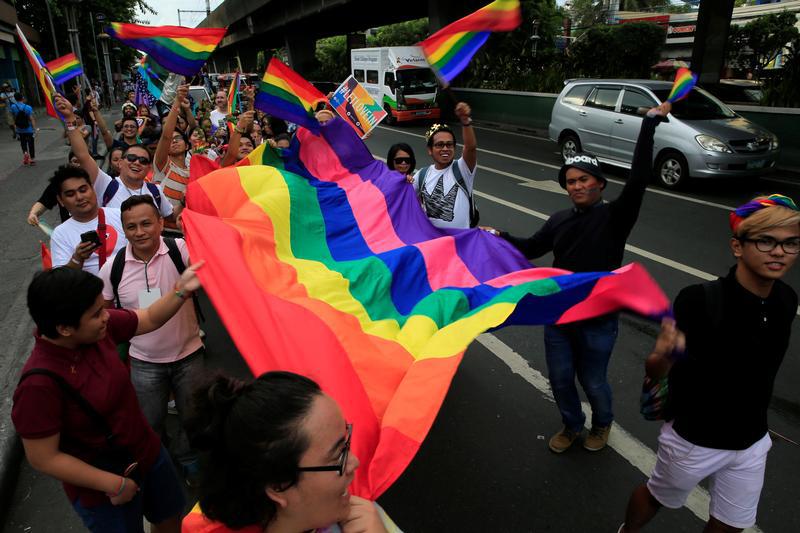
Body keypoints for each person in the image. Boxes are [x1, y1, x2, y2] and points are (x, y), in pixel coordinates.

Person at [490, 102, 671, 454]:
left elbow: (637, 178)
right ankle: (572, 425)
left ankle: (602, 423)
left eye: (583, 180)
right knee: (559, 378)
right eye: (570, 182)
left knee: (592, 380)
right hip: (559, 314)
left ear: (600, 185)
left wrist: (649, 125)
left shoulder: (616, 216)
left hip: (598, 319)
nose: (576, 186)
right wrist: (498, 235)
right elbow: (529, 249)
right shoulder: (559, 220)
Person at [620, 195, 799, 533]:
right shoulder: (699, 299)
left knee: (731, 525)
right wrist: (664, 355)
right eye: (766, 241)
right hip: (694, 439)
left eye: (791, 244)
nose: (779, 252)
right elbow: (657, 371)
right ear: (737, 246)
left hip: (751, 441)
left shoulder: (786, 299)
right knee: (657, 497)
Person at [12, 261, 203, 533]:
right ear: (64, 328)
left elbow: (147, 318)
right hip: (105, 490)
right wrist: (112, 484)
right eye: (96, 313)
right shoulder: (38, 385)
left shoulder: (98, 330)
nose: (106, 316)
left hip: (149, 455)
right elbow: (43, 457)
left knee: (171, 516)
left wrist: (181, 290)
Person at [182, 371, 396, 533]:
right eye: (338, 455)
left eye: (346, 442)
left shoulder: (363, 519)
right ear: (278, 485)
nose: (355, 462)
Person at [99, 195, 204, 483]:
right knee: (150, 422)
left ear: (160, 223)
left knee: (193, 418)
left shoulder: (179, 250)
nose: (140, 232)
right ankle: (160, 464)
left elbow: (210, 261)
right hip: (144, 363)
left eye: (147, 223)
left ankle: (189, 459)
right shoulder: (113, 267)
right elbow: (102, 311)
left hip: (190, 355)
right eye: (131, 227)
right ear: (124, 230)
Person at [56, 95, 176, 225]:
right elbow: (83, 155)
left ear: (148, 168)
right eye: (131, 158)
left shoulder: (155, 191)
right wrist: (69, 118)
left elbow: (173, 217)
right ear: (120, 163)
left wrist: (183, 201)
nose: (137, 162)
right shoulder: (106, 185)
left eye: (143, 160)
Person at [49, 165, 127, 275]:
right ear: (61, 200)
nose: (79, 197)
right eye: (70, 194)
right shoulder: (60, 233)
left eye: (83, 190)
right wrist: (77, 258)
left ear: (92, 188)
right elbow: (60, 279)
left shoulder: (120, 215)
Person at [412, 102, 476, 229]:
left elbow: (470, 148)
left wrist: (465, 121)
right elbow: (403, 199)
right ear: (430, 150)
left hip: (460, 244)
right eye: (439, 145)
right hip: (434, 244)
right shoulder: (421, 175)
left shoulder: (462, 169)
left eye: (449, 144)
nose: (445, 148)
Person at [153, 84, 191, 212]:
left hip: (187, 227)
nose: (174, 141)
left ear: (187, 146)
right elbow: (165, 136)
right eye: (171, 140)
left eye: (178, 138)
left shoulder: (193, 169)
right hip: (166, 229)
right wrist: (177, 102)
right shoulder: (163, 166)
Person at [28, 152, 81, 225]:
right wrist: (33, 213)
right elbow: (44, 201)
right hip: (69, 232)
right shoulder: (60, 182)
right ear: (70, 164)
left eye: (82, 161)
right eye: (75, 161)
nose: (78, 164)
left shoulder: (98, 180)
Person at [11, 92, 36, 165]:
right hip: (28, 129)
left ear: (15, 99)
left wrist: (15, 128)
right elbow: (32, 119)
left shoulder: (13, 106)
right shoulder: (28, 107)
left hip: (19, 129)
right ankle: (31, 159)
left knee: (23, 143)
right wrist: (34, 129)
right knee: (31, 143)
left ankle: (25, 152)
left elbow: (14, 118)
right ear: (23, 98)